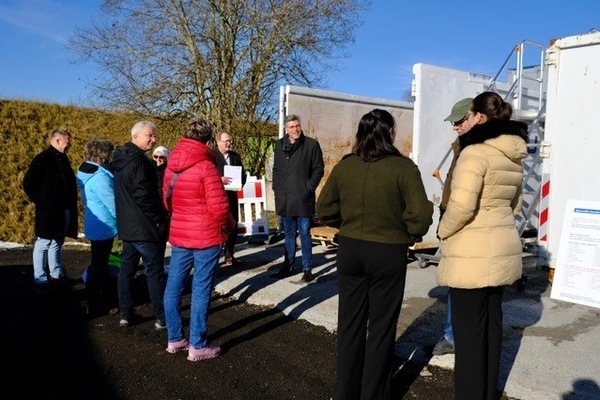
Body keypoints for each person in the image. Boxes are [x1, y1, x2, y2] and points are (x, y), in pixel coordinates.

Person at [316, 109, 433, 400]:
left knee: (350, 324)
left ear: (361, 133)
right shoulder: (404, 168)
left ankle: (344, 392)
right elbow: (419, 216)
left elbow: (324, 209)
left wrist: (349, 222)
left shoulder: (346, 166)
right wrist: (408, 234)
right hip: (388, 253)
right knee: (381, 327)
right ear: (390, 133)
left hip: (351, 250)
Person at [436, 92, 528, 400]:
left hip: (472, 257)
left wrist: (442, 230)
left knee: (469, 337)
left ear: (478, 117)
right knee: (491, 330)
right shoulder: (510, 156)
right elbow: (515, 206)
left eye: (467, 115)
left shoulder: (474, 153)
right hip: (501, 251)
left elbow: (460, 208)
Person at [162, 118, 235, 361]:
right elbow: (219, 208)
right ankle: (197, 345)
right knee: (201, 289)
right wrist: (230, 226)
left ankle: (175, 338)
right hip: (206, 236)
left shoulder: (171, 165)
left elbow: (166, 201)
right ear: (207, 139)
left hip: (181, 234)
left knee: (174, 286)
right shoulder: (206, 167)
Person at [110, 121, 168, 330]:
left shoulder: (120, 160)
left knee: (127, 270)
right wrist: (159, 220)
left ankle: (125, 313)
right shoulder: (139, 163)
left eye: (154, 136)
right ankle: (162, 317)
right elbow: (144, 196)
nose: (153, 139)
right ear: (135, 136)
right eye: (149, 136)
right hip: (144, 228)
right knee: (154, 272)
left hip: (128, 227)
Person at [432, 97, 474, 356]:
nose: (455, 126)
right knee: (456, 283)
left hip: (466, 228)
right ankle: (454, 334)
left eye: (460, 121)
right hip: (454, 222)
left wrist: (447, 225)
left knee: (463, 283)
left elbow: (466, 198)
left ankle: (455, 337)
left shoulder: (478, 149)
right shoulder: (463, 146)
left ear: (475, 117)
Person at [23, 129, 78, 293]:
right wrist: (42, 201)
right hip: (49, 209)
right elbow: (28, 182)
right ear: (58, 141)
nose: (69, 146)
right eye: (67, 143)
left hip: (63, 208)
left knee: (57, 242)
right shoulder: (43, 159)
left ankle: (56, 274)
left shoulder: (63, 159)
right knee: (43, 242)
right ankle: (40, 278)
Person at [271, 114, 324, 283]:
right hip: (285, 197)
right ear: (286, 129)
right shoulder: (279, 145)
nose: (296, 129)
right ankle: (288, 266)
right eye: (292, 127)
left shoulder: (311, 145)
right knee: (288, 234)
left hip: (303, 198)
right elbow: (276, 169)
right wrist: (276, 188)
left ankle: (307, 269)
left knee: (305, 233)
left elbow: (318, 169)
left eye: (297, 126)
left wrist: (308, 188)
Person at [77, 139, 118, 317]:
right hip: (104, 225)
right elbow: (112, 204)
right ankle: (95, 303)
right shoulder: (100, 177)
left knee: (98, 262)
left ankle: (96, 299)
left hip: (95, 223)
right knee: (99, 265)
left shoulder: (86, 172)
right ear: (102, 155)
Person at [212, 130, 246, 266]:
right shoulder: (211, 156)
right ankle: (214, 257)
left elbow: (243, 174)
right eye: (226, 141)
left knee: (232, 225)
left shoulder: (235, 156)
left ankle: (229, 254)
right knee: (217, 227)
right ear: (218, 142)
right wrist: (218, 180)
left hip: (232, 196)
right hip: (217, 196)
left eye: (229, 140)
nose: (228, 143)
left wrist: (240, 183)